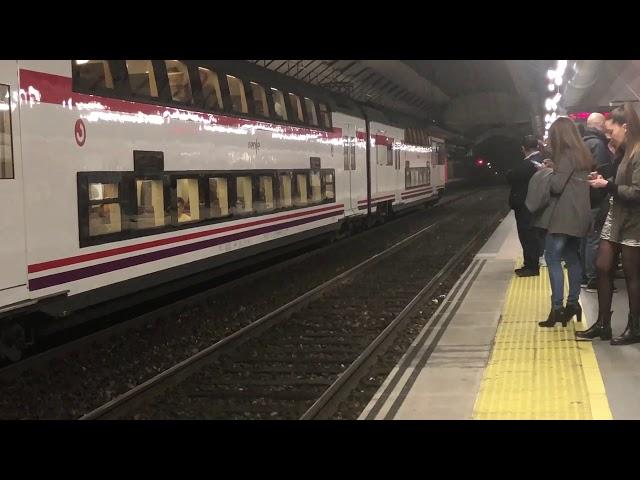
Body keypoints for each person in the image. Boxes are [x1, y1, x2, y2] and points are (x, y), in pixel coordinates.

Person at [577, 103, 640, 344]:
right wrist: (605, 180)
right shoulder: (625, 151)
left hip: (634, 220)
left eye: (611, 131)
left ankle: (635, 326)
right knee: (603, 267)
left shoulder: (638, 152)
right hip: (617, 216)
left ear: (626, 127)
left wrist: (609, 186)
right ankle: (603, 323)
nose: (608, 136)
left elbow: (637, 191)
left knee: (634, 274)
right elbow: (621, 181)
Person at [533, 117, 592, 328]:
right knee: (572, 258)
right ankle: (573, 304)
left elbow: (557, 186)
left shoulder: (566, 154)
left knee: (552, 257)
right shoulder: (582, 153)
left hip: (564, 217)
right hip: (579, 216)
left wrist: (546, 172)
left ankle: (557, 308)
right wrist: (555, 166)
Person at [580, 113, 614, 291]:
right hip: (596, 196)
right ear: (600, 126)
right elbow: (604, 171)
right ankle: (594, 279)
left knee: (586, 238)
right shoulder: (598, 144)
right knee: (595, 239)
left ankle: (585, 276)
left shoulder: (582, 142)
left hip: (583, 197)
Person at [507, 135, 544, 277]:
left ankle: (531, 266)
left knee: (527, 235)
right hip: (532, 203)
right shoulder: (541, 160)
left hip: (526, 205)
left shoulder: (529, 163)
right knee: (531, 234)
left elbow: (511, 176)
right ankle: (530, 263)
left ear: (523, 148)